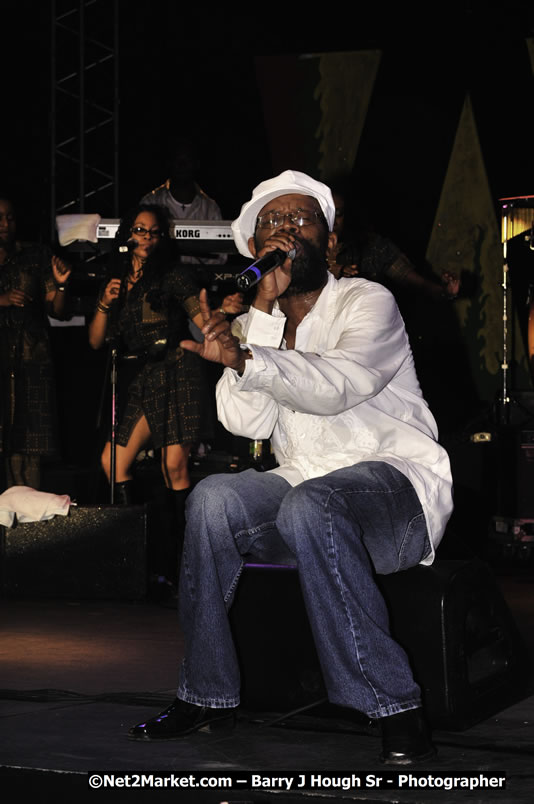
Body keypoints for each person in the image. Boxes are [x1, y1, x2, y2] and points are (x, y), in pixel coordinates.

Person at [128, 171, 454, 765]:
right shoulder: (257, 324)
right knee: (213, 500)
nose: (287, 230)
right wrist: (256, 323)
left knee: (314, 502)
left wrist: (250, 358)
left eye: (301, 219)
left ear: (329, 242)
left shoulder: (367, 301)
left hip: (396, 489)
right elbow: (246, 421)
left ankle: (393, 704)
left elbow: (337, 386)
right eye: (273, 223)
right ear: (256, 249)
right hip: (306, 487)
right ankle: (206, 694)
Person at [88, 204, 207, 581]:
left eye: (154, 232)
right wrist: (104, 303)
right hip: (144, 375)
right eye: (140, 230)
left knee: (174, 466)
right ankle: (141, 558)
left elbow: (201, 316)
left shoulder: (173, 275)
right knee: (113, 462)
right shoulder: (117, 281)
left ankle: (185, 567)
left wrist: (219, 318)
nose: (146, 237)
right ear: (128, 234)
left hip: (177, 368)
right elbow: (96, 341)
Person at [0, 194, 71, 489]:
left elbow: (58, 310)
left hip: (30, 363)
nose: (5, 224)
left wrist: (62, 285)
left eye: (10, 217)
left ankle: (26, 514)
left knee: (28, 446)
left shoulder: (35, 255)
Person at [327, 188, 460, 301]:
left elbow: (412, 281)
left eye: (338, 214)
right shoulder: (314, 247)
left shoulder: (373, 247)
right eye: (327, 213)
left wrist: (444, 291)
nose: (333, 220)